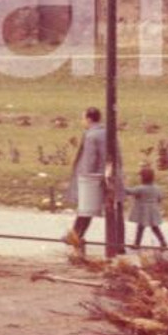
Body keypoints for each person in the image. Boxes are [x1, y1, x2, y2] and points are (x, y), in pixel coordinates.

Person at [63, 107, 108, 252]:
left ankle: (75, 235)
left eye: (83, 118)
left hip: (90, 179)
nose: (82, 121)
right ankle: (76, 235)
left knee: (85, 208)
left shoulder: (91, 136)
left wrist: (83, 179)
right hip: (104, 175)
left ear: (89, 119)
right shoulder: (105, 132)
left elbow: (89, 160)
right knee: (87, 210)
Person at [126, 166, 166, 250]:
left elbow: (129, 191)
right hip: (153, 211)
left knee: (140, 228)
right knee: (155, 227)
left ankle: (137, 244)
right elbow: (160, 198)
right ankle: (163, 243)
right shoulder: (157, 188)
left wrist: (121, 186)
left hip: (143, 212)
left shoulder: (141, 188)